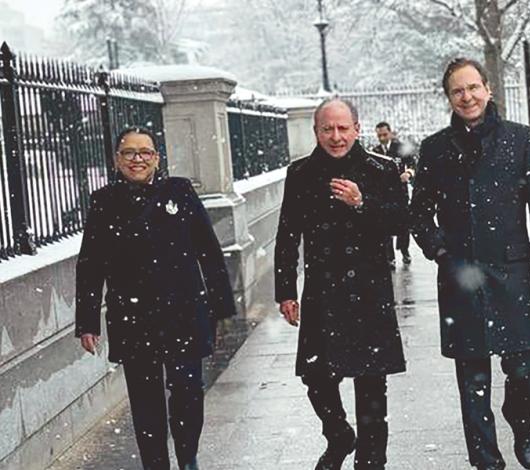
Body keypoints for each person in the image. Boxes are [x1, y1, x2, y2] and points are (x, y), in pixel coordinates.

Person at [410, 58, 530, 470]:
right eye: (458, 90)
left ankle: (521, 420)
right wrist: (441, 250)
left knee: (526, 368)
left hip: (512, 272)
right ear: (449, 97)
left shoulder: (521, 139)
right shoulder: (436, 149)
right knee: (472, 379)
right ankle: (486, 461)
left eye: (473, 87)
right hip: (461, 278)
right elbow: (418, 214)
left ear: (488, 89)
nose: (468, 96)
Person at [75, 126, 237, 470]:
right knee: (146, 403)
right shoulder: (104, 202)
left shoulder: (178, 191)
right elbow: (90, 264)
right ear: (117, 160)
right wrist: (87, 321)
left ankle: (187, 456)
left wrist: (222, 308)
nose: (137, 159)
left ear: (157, 158)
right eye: (129, 153)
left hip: (184, 313)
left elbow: (208, 250)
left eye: (145, 152)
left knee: (188, 394)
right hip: (133, 319)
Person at [274, 98, 407, 470]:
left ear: (357, 129)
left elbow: (400, 222)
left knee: (371, 387)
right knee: (316, 378)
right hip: (322, 291)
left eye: (343, 128)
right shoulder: (300, 173)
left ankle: (371, 460)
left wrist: (362, 202)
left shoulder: (381, 169)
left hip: (369, 292)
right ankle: (338, 434)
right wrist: (285, 290)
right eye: (327, 129)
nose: (336, 137)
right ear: (316, 131)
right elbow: (287, 235)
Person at [372, 121, 416, 266]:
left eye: (385, 134)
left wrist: (408, 173)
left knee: (403, 224)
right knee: (385, 226)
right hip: (383, 194)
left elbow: (414, 164)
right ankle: (389, 257)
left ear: (390, 133)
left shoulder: (400, 148)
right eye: (379, 135)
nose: (382, 138)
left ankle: (404, 251)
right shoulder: (375, 151)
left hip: (400, 192)